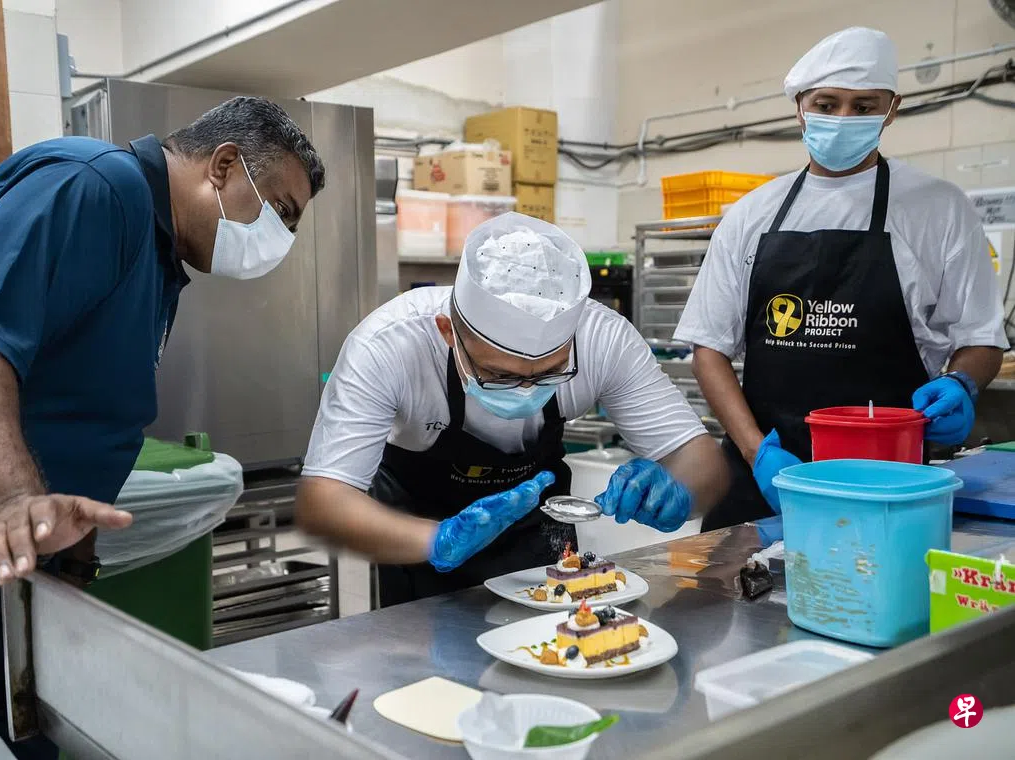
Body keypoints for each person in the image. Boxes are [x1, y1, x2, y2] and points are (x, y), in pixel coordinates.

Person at [0, 96, 325, 755]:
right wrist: (10, 505)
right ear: (225, 165)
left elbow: (81, 415)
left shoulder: (156, 260)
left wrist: (72, 560)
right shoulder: (93, 185)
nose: (279, 241)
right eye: (280, 212)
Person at [297, 212, 728, 606]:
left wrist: (677, 490)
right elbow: (324, 503)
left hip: (539, 545)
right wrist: (439, 540)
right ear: (449, 332)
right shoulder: (389, 346)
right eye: (499, 375)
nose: (525, 392)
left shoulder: (603, 340)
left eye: (550, 373)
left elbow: (701, 460)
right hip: (415, 541)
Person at [674, 27, 1007, 531]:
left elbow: (980, 339)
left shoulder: (939, 208)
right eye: (827, 105)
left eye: (863, 106)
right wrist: (757, 453)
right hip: (765, 476)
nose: (844, 119)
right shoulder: (750, 214)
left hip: (888, 481)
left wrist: (962, 382)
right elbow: (709, 349)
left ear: (891, 110)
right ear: (800, 109)